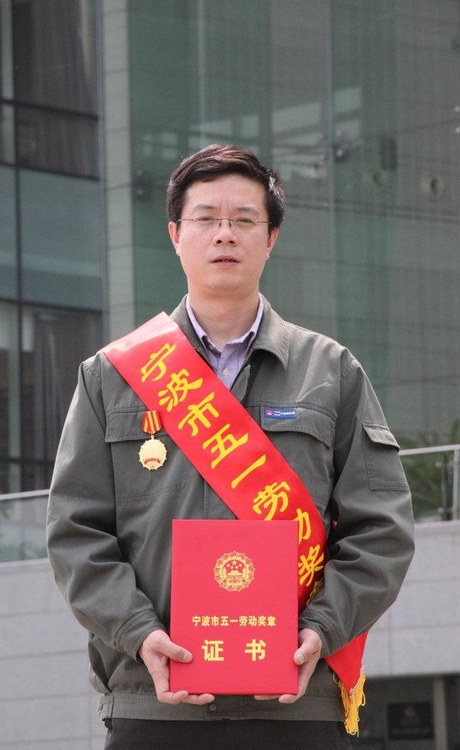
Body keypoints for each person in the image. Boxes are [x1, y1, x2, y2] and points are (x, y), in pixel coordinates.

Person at [47, 144, 415, 750]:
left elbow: (381, 530)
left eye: (244, 219)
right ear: (175, 234)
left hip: (298, 705)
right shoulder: (110, 377)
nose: (225, 234)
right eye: (206, 218)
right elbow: (75, 531)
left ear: (271, 238)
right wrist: (139, 633)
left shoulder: (330, 372)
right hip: (153, 701)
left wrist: (322, 629)